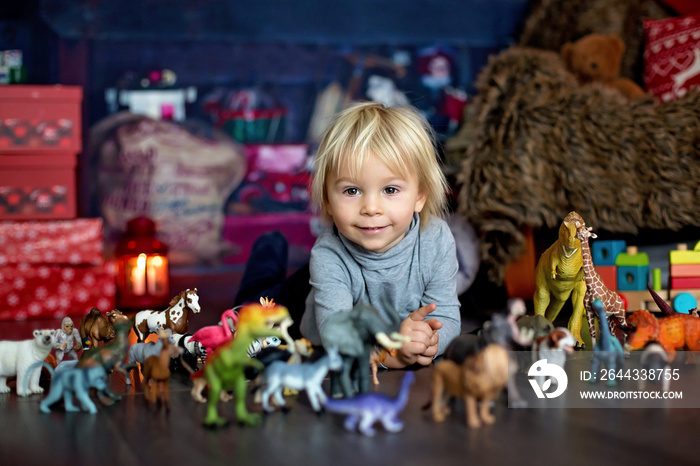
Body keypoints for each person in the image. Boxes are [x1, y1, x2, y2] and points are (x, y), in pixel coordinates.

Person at [235, 101, 461, 369]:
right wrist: (390, 355)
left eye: (390, 190)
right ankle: (269, 246)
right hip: (295, 304)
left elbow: (446, 313)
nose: (371, 208)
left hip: (324, 285)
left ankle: (271, 245)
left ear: (419, 196)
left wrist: (431, 342)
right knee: (249, 310)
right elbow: (337, 335)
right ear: (328, 201)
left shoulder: (436, 240)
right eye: (352, 191)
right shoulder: (329, 253)